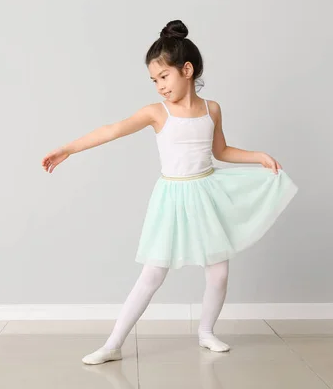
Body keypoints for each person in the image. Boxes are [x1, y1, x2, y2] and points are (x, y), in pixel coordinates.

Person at [41, 20, 298, 365]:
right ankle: (113, 344)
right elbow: (112, 130)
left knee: (219, 273)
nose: (159, 86)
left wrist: (257, 158)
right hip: (172, 197)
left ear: (187, 70)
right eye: (154, 80)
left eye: (164, 77)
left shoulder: (212, 109)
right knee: (152, 274)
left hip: (207, 194)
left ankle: (206, 331)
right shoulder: (156, 113)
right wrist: (68, 149)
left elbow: (221, 151)